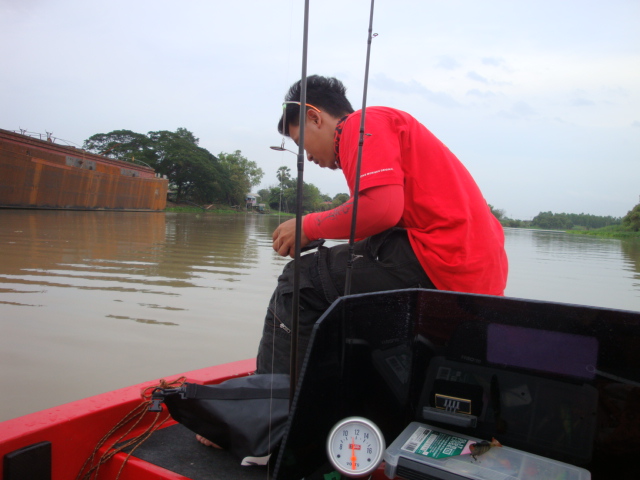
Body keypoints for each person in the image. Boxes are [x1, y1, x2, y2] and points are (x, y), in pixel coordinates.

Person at [256, 75, 508, 375]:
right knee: (345, 270)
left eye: (301, 143)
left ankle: (274, 411)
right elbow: (382, 222)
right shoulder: (378, 132)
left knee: (299, 281)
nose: (307, 156)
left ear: (315, 117)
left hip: (443, 258)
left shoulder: (362, 123)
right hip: (476, 277)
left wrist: (308, 226)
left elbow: (380, 209)